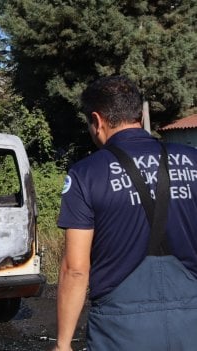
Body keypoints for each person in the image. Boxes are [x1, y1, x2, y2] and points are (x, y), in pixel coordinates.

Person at [53, 75, 197, 350]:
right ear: (139, 115)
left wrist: (63, 344)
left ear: (97, 120)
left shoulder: (85, 174)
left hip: (120, 330)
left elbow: (75, 269)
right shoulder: (192, 160)